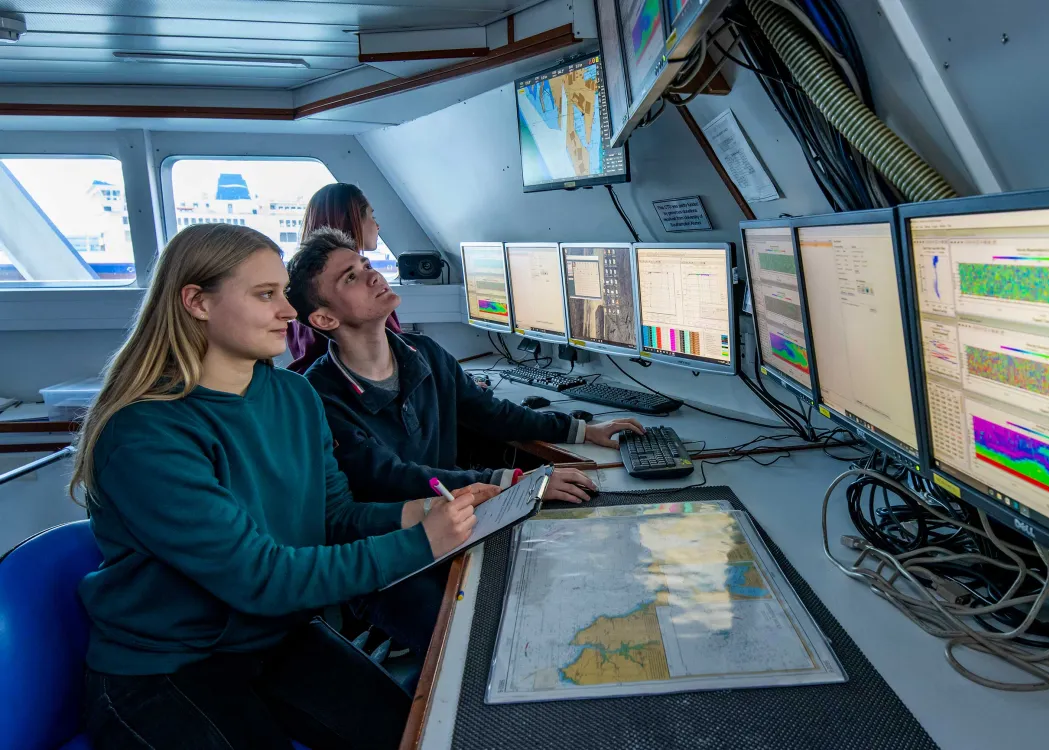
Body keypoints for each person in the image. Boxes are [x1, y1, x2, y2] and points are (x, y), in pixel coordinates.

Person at [73, 223, 490, 750]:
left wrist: (424, 510)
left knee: (417, 737)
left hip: (275, 637)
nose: (289, 312)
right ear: (197, 302)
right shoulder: (144, 434)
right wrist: (424, 541)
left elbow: (333, 518)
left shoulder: (293, 395)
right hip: (168, 668)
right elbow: (260, 577)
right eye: (266, 296)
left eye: (283, 295)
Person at [284, 228, 645, 656]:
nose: (373, 276)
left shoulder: (425, 353)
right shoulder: (319, 395)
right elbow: (390, 477)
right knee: (477, 645)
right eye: (350, 277)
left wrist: (582, 431)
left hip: (455, 521)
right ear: (325, 319)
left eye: (366, 265)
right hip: (390, 556)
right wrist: (514, 481)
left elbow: (490, 413)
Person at [286, 183, 400, 374]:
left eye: (367, 267)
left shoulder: (305, 292)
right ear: (352, 221)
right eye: (372, 216)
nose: (377, 225)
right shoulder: (366, 306)